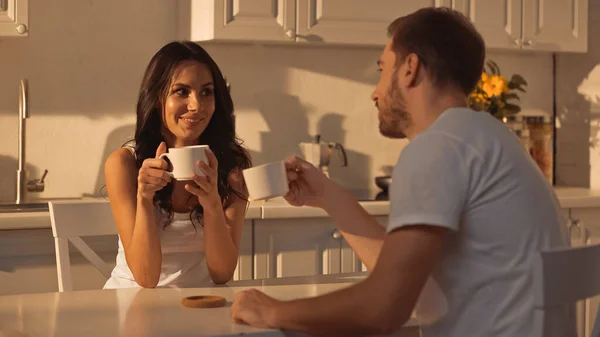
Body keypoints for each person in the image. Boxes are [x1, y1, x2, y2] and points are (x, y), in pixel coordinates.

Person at [230, 7, 568, 337]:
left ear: (410, 68)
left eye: (382, 69)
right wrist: (328, 196)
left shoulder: (439, 146)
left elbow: (383, 308)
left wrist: (271, 311)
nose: (375, 91)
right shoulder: (488, 137)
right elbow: (407, 282)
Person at [103, 41, 251, 289]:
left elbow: (222, 274)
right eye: (181, 91)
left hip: (198, 307)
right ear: (158, 98)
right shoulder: (124, 164)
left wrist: (213, 203)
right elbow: (146, 279)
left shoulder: (232, 166)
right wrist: (144, 199)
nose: (196, 105)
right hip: (133, 305)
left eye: (206, 92)